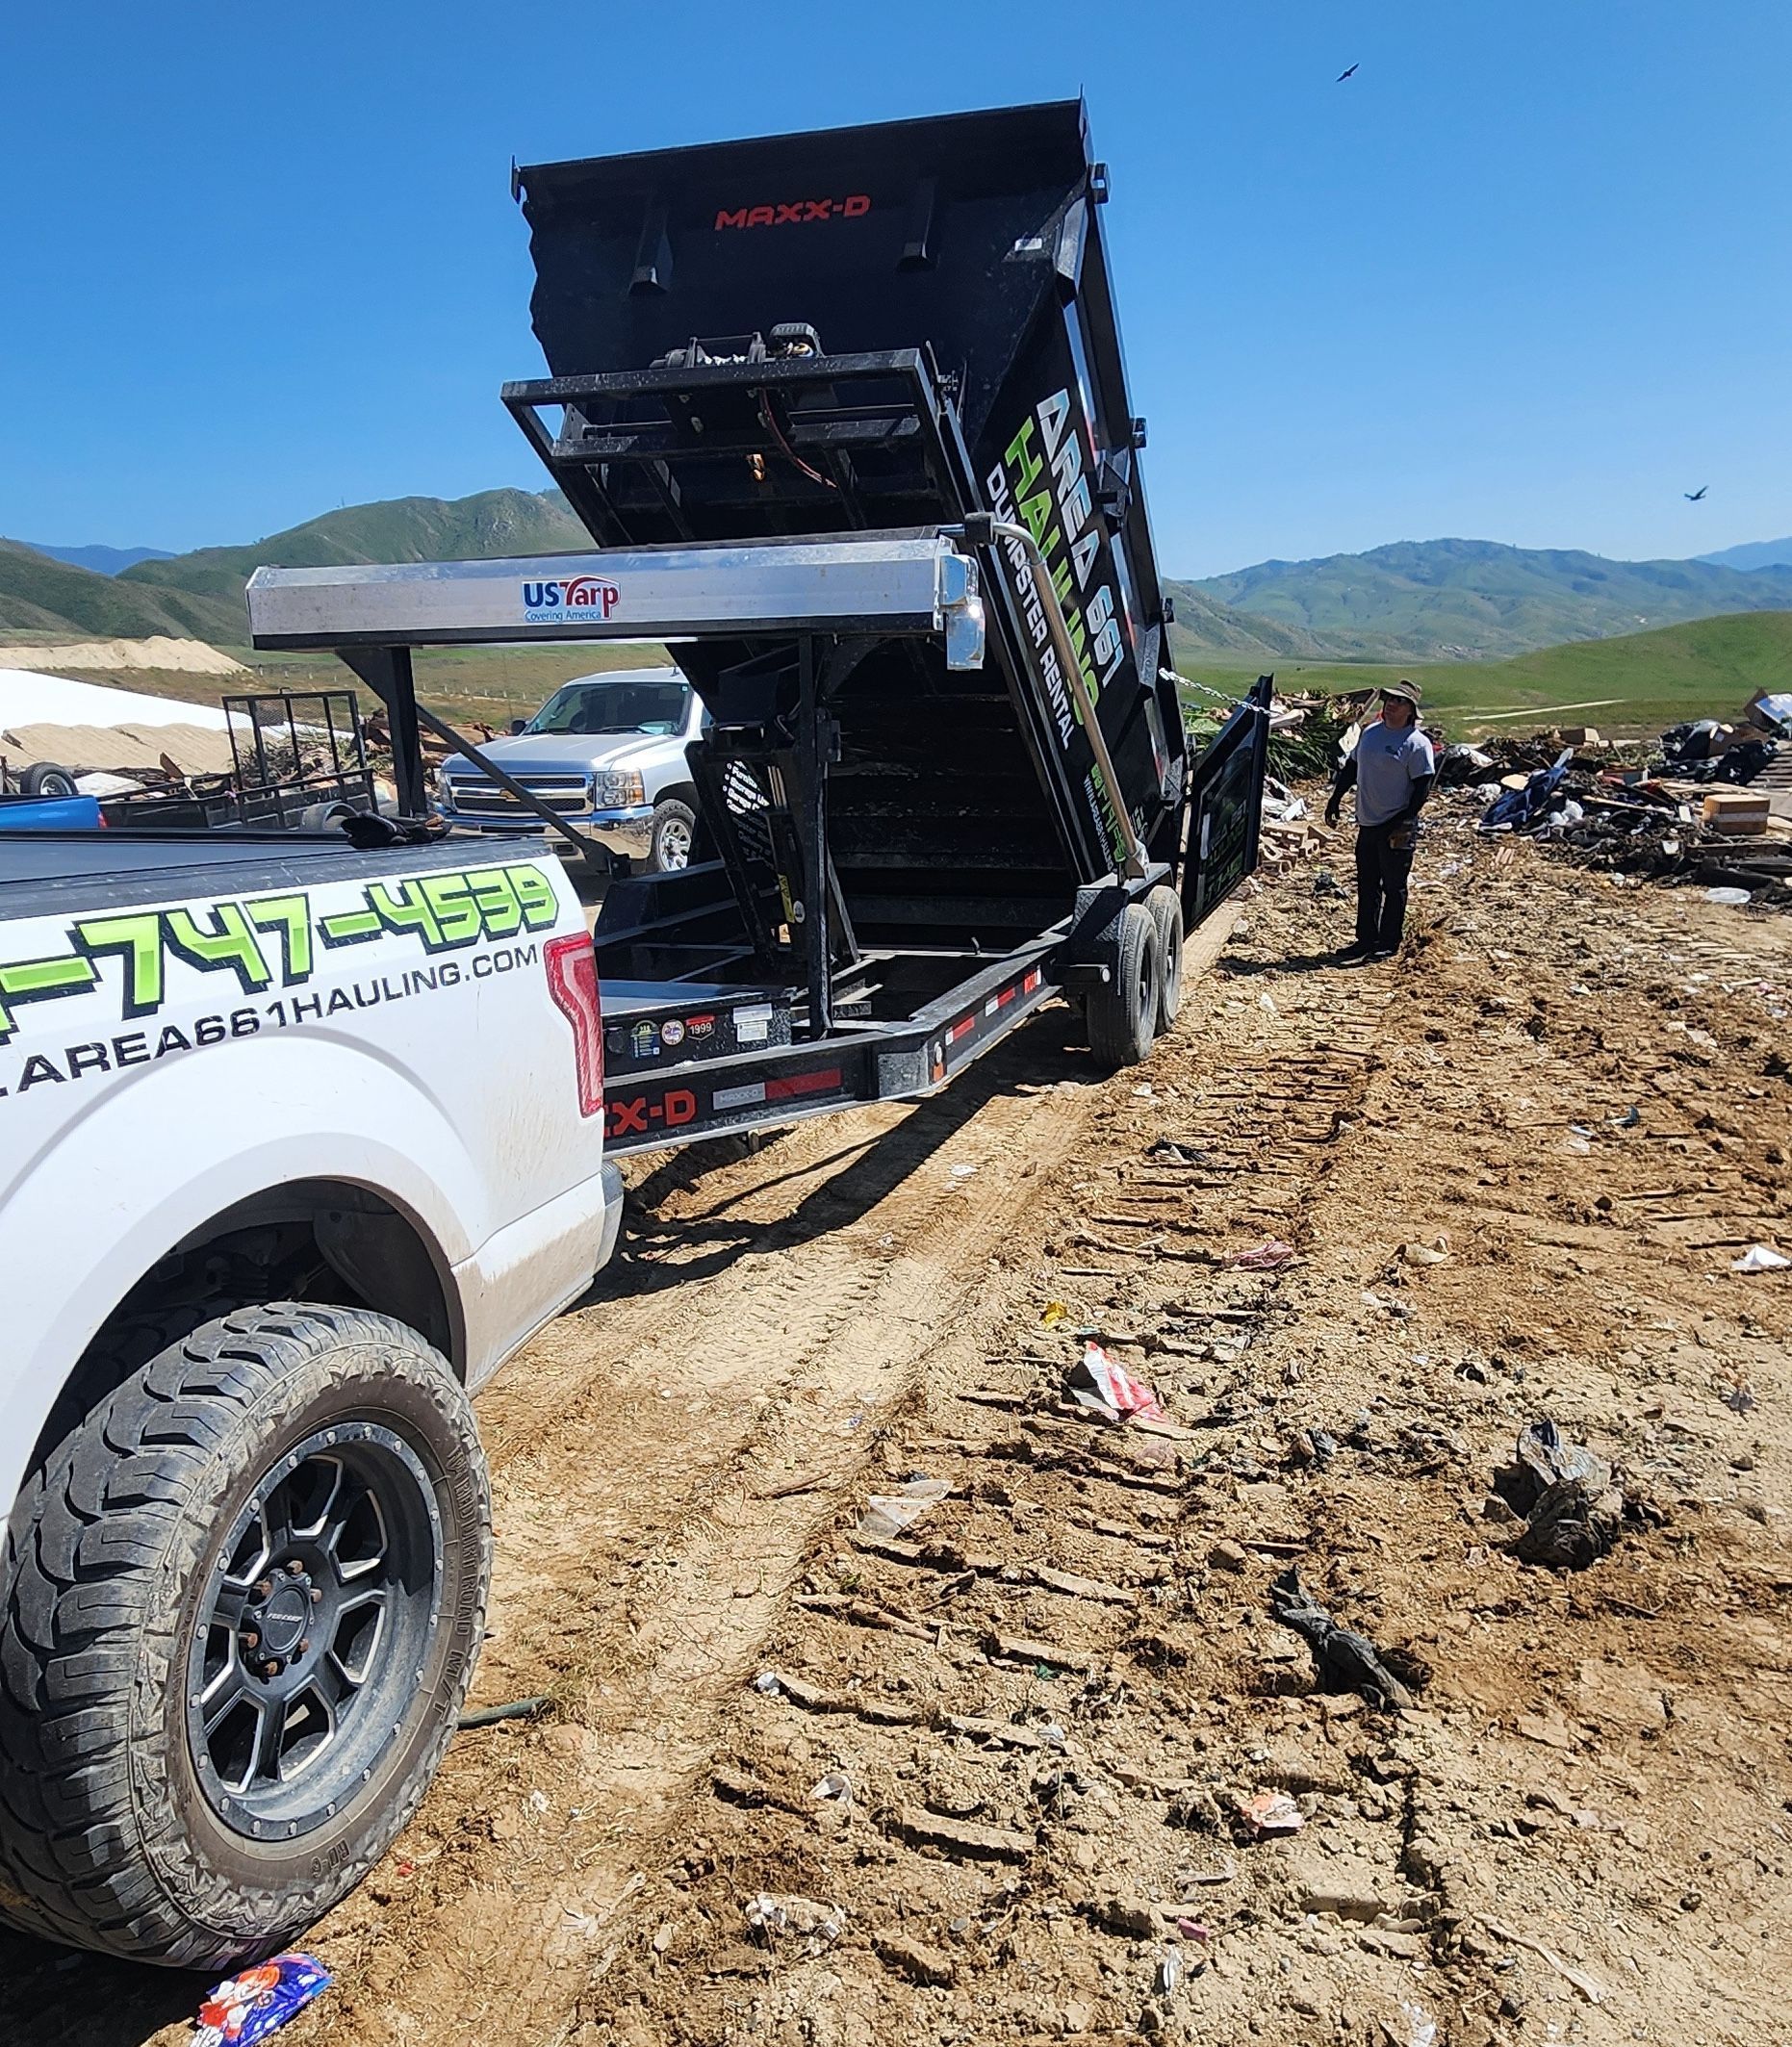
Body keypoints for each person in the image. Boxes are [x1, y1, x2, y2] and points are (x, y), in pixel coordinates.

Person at [1324, 680, 1436, 960]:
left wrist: (1405, 821)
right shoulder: (1370, 733)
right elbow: (1352, 767)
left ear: (1410, 710)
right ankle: (1365, 939)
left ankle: (1389, 942)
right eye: (1389, 699)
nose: (1391, 704)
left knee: (1394, 885)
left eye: (1399, 701)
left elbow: (1422, 788)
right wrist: (1335, 799)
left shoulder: (1416, 744)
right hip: (1367, 820)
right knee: (1367, 882)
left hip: (1396, 823)